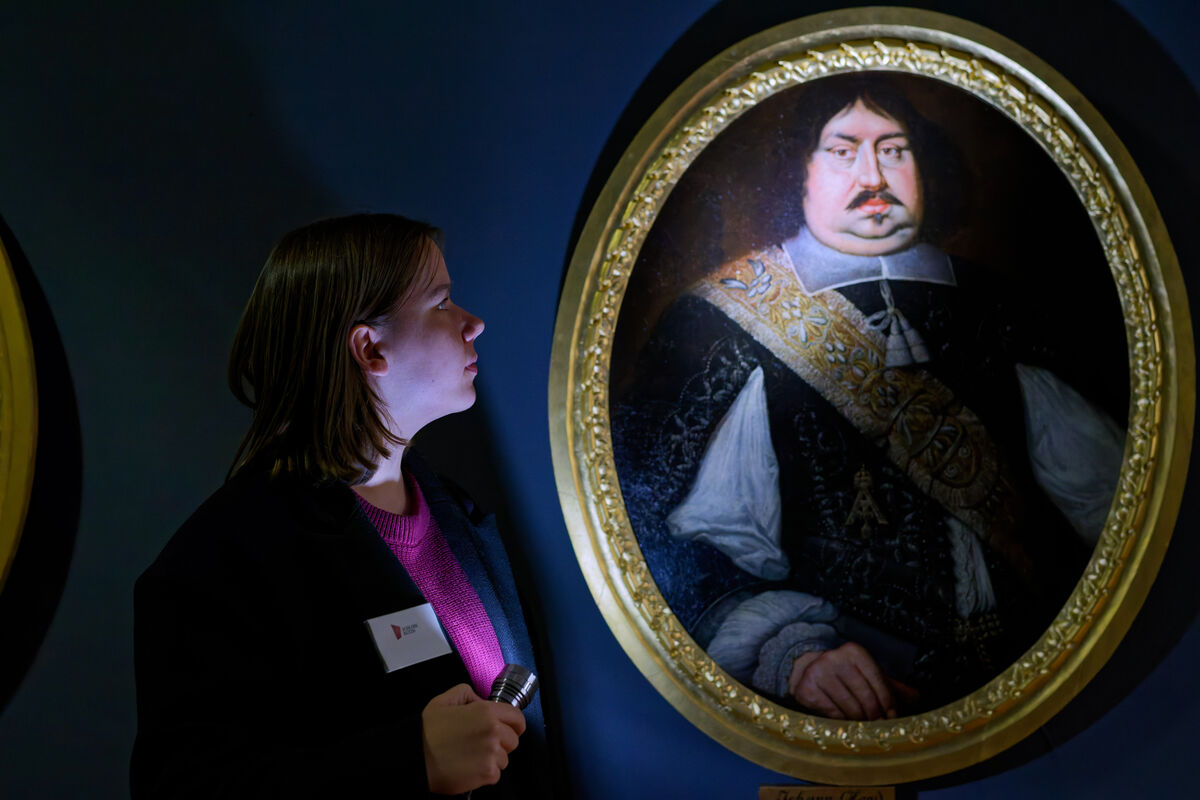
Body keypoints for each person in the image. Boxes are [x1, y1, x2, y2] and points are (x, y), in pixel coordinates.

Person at [612, 75, 1124, 721]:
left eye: (895, 149)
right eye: (843, 149)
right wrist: (794, 652)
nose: (873, 174)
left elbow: (1107, 500)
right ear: (798, 170)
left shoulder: (998, 307)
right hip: (853, 688)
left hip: (1034, 690)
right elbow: (676, 541)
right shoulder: (722, 323)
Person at [132, 215, 551, 797]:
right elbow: (183, 786)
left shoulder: (459, 515)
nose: (473, 323)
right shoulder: (219, 562)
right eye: (442, 302)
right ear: (369, 346)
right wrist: (411, 759)